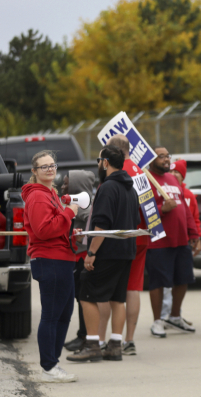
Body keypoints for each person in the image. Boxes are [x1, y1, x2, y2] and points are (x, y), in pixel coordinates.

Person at [67, 145, 140, 363]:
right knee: (117, 298)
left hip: (108, 251)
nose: (98, 164)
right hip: (126, 251)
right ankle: (115, 345)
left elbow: (101, 226)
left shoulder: (107, 188)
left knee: (86, 294)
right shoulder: (130, 188)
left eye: (99, 160)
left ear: (106, 162)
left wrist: (91, 252)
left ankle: (92, 345)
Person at [23, 151, 79, 382]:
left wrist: (71, 231)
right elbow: (43, 230)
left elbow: (54, 227)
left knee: (64, 313)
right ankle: (49, 366)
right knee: (52, 315)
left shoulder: (51, 194)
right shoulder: (38, 196)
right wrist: (69, 213)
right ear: (34, 172)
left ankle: (53, 363)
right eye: (43, 166)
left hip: (62, 258)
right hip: (50, 259)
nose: (49, 169)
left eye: (52, 165)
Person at [146, 147, 200, 337]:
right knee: (158, 283)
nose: (166, 159)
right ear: (152, 160)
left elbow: (185, 210)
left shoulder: (172, 179)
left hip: (180, 239)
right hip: (159, 240)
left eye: (168, 156)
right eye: (162, 157)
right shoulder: (147, 181)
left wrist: (194, 234)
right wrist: (163, 208)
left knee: (183, 279)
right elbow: (144, 213)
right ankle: (157, 321)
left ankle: (175, 317)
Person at [107, 134, 151, 356]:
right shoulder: (140, 170)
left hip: (121, 235)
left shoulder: (118, 170)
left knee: (111, 289)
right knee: (133, 287)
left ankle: (103, 338)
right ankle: (129, 340)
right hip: (142, 233)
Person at [161, 159, 201, 324]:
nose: (173, 175)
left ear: (183, 176)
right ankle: (164, 315)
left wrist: (196, 237)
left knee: (181, 280)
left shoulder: (189, 196)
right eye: (170, 172)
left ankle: (175, 314)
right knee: (166, 283)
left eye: (176, 172)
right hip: (167, 243)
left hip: (183, 242)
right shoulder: (164, 193)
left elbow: (194, 218)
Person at [62, 170, 95, 353]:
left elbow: (91, 219)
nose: (62, 186)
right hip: (75, 256)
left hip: (83, 258)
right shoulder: (74, 203)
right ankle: (82, 334)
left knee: (84, 298)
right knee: (80, 298)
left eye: (66, 184)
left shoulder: (85, 205)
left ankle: (85, 336)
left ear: (76, 187)